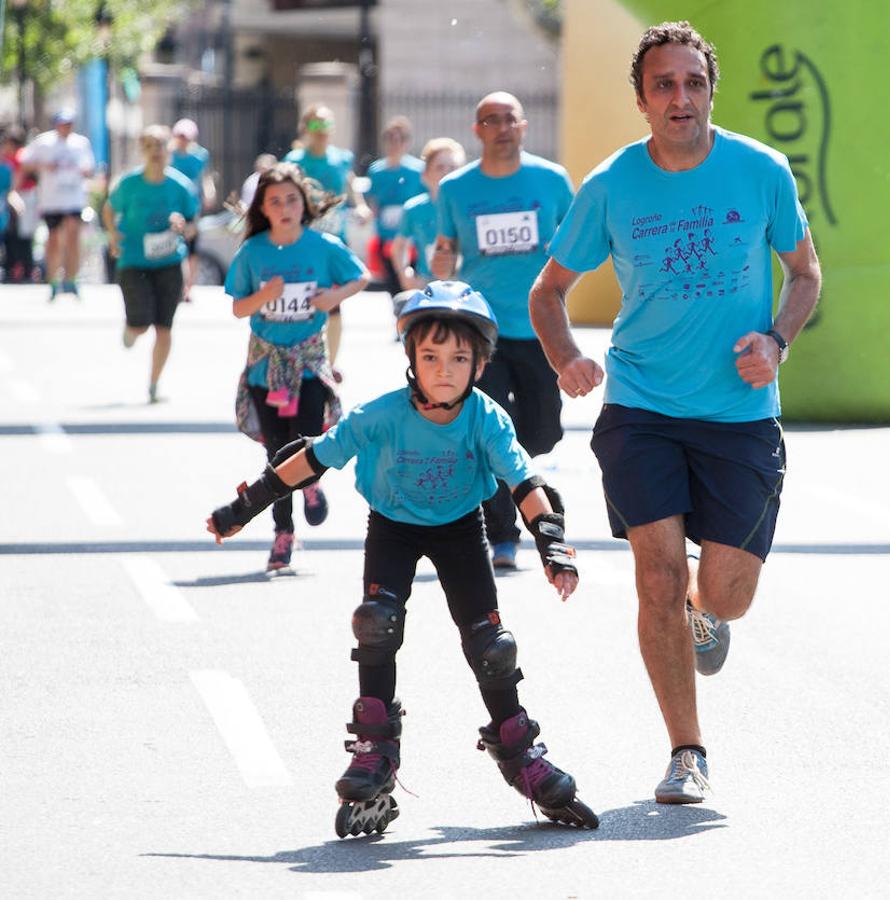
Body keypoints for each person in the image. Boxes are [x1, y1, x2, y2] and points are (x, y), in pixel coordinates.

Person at [529, 21, 822, 804]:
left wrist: (777, 339)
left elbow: (804, 273)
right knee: (654, 578)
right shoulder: (613, 184)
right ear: (641, 99)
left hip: (739, 412)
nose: (680, 97)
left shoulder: (760, 170)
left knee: (727, 593)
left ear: (709, 91)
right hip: (641, 405)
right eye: (665, 84)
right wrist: (567, 360)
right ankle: (686, 751)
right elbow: (547, 292)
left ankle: (705, 610)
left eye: (693, 83)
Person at [206, 280, 598, 837]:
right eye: (431, 356)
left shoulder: (486, 418)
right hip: (392, 526)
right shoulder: (381, 416)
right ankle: (374, 749)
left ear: (479, 365)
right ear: (411, 359)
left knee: (492, 646)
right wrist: (243, 507)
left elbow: (524, 482)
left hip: (461, 528)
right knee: (376, 624)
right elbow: (312, 459)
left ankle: (518, 748)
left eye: (459, 358)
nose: (444, 369)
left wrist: (551, 544)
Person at [433, 91, 574, 571]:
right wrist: (439, 264)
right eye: (491, 120)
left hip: (539, 324)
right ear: (478, 130)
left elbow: (577, 242)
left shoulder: (552, 181)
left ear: (524, 126)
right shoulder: (455, 189)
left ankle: (516, 478)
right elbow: (446, 249)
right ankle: (503, 535)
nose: (501, 128)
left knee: (544, 430)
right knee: (494, 433)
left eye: (509, 119)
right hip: (480, 330)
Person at [224, 162, 369, 571]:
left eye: (292, 199)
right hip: (265, 366)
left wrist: (330, 298)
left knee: (302, 442)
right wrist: (265, 295)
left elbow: (361, 277)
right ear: (263, 209)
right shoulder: (253, 252)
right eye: (275, 201)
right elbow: (238, 307)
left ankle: (311, 479)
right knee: (275, 453)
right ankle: (283, 534)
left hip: (308, 364)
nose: (285, 207)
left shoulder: (322, 246)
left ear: (304, 204)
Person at [102, 125, 198, 404]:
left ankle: (154, 384)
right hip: (133, 260)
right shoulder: (129, 184)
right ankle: (132, 328)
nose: (156, 151)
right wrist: (112, 234)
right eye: (150, 146)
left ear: (169, 149)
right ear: (142, 151)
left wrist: (183, 227)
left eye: (160, 145)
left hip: (169, 262)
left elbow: (193, 227)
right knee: (141, 325)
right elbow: (109, 209)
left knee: (164, 327)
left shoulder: (180, 186)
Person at [284, 105, 370, 368]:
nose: (321, 132)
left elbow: (351, 184)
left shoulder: (342, 158)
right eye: (315, 126)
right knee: (302, 301)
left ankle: (330, 364)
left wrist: (361, 205)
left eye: (326, 126)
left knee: (333, 303)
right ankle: (299, 355)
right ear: (305, 129)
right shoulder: (295, 160)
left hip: (334, 241)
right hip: (302, 242)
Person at [20, 109, 95, 299]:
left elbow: (90, 168)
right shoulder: (44, 142)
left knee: (73, 237)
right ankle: (53, 279)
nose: (66, 127)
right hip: (52, 200)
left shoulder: (80, 143)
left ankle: (71, 279)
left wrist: (83, 171)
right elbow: (25, 162)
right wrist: (45, 166)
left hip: (73, 198)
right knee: (54, 240)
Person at [390, 137, 466, 302]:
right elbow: (399, 246)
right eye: (440, 167)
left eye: (453, 168)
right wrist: (405, 274)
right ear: (425, 175)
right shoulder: (415, 208)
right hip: (429, 287)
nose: (447, 173)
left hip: (465, 285)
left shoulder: (470, 207)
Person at [365, 116, 426, 296]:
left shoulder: (418, 170)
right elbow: (373, 203)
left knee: (413, 286)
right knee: (394, 288)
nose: (395, 144)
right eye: (391, 139)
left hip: (411, 239)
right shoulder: (376, 170)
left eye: (400, 139)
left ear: (407, 142)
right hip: (386, 238)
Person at [169, 118, 217, 302]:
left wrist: (209, 193)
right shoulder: (169, 154)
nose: (182, 140)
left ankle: (188, 288)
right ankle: (176, 285)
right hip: (173, 207)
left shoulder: (200, 155)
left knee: (191, 248)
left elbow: (206, 177)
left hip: (191, 207)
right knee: (174, 245)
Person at [2, 126, 37, 284]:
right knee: (15, 234)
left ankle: (26, 269)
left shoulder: (20, 157)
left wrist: (12, 195)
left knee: (22, 235)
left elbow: (18, 179)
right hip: (17, 197)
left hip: (23, 197)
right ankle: (18, 267)